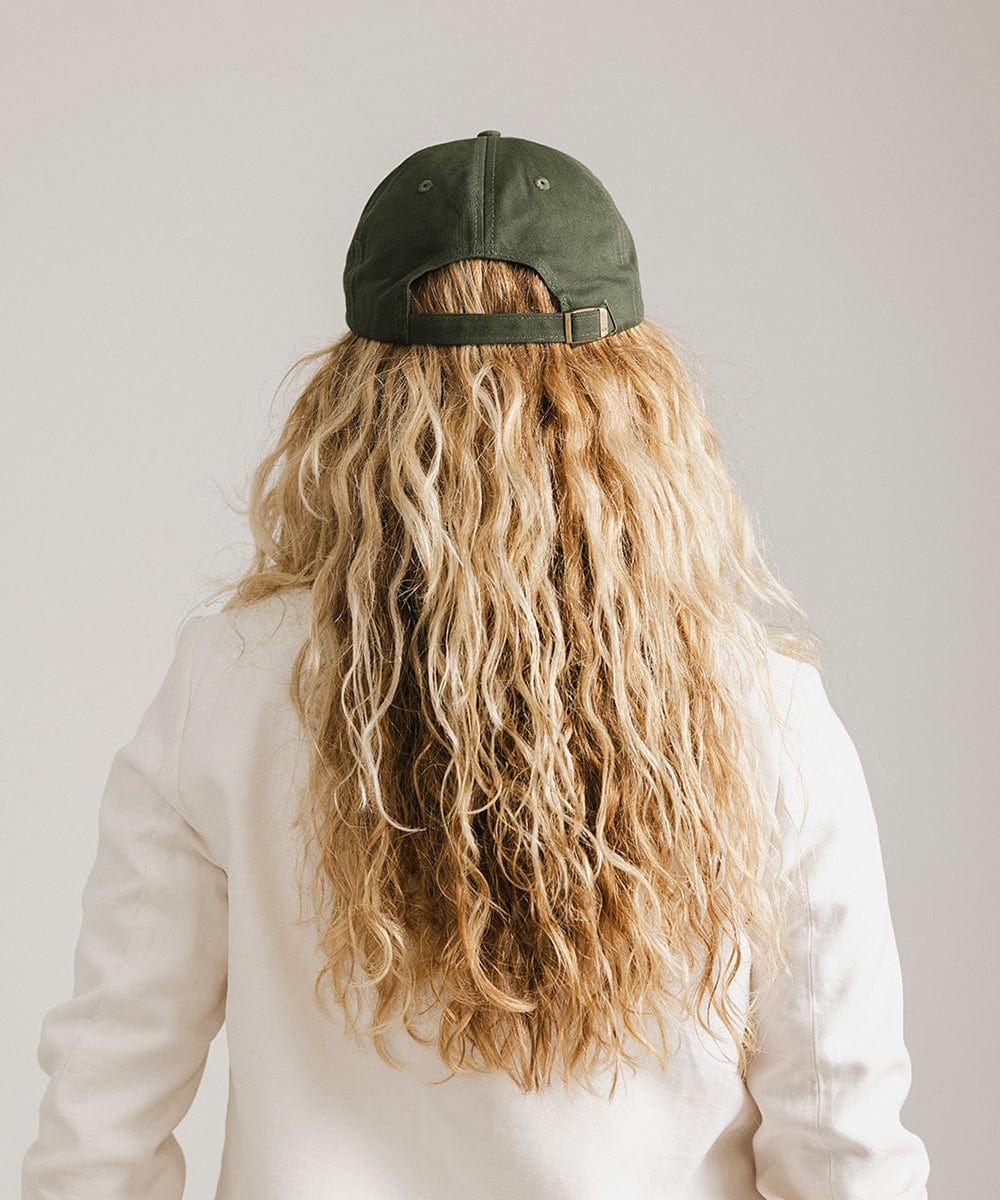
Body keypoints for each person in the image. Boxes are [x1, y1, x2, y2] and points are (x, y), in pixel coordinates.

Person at [22, 129, 931, 1200]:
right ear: (636, 394)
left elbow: (97, 1134)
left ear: (352, 396)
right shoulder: (763, 712)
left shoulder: (228, 686)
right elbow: (845, 1154)